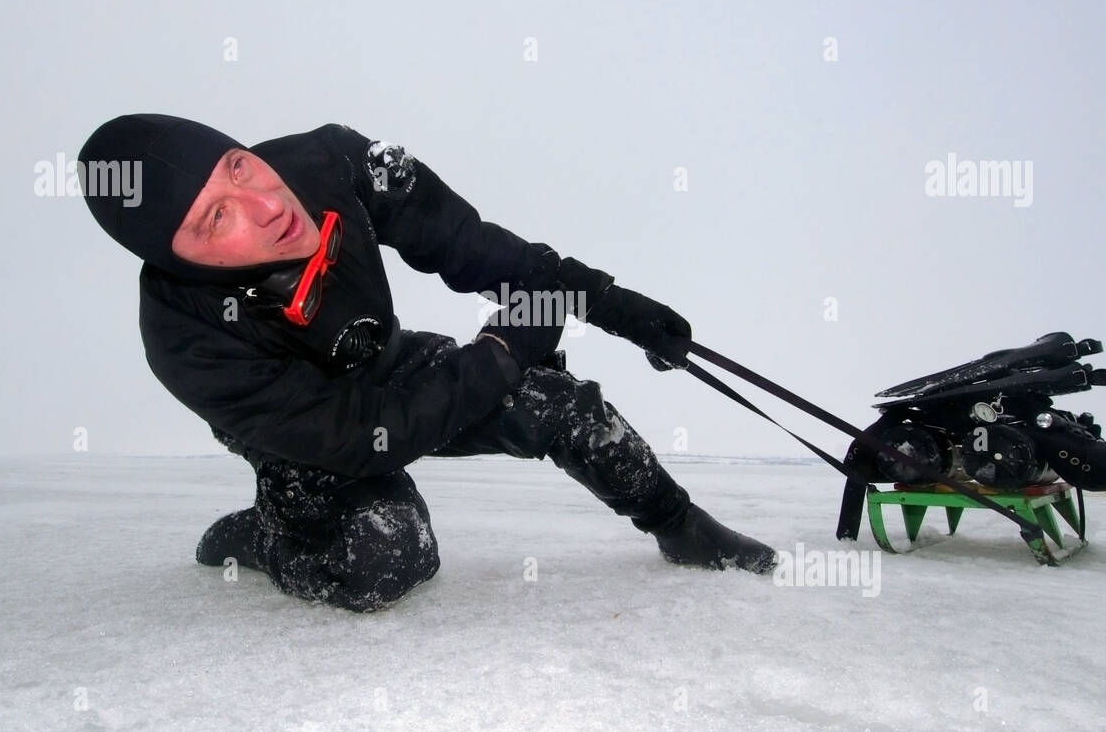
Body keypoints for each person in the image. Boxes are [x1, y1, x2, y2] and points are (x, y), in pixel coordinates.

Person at [76, 113, 777, 612]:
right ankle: (271, 535)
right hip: (307, 427)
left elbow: (474, 248)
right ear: (175, 258)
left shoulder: (335, 161)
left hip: (385, 360)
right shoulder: (184, 341)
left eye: (238, 165)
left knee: (566, 407)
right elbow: (360, 435)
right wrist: (500, 357)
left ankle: (678, 526)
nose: (264, 204)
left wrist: (614, 306)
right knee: (391, 560)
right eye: (216, 218)